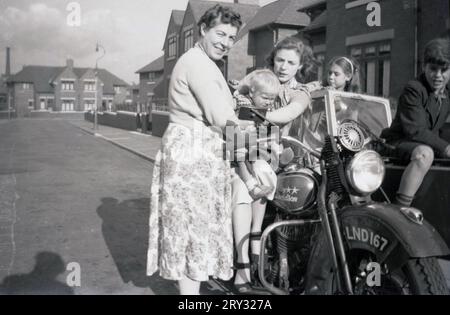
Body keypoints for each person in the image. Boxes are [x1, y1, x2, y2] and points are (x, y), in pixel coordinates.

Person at [147, 4, 246, 295]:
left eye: (231, 37)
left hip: (197, 151)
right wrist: (260, 143)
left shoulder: (202, 62)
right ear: (203, 29)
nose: (225, 42)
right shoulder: (197, 64)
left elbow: (221, 109)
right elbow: (219, 117)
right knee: (193, 231)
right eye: (220, 33)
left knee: (194, 231)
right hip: (192, 153)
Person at [232, 36, 316, 293]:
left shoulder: (298, 92)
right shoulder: (259, 79)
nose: (283, 66)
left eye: (291, 62)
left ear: (300, 66)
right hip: (248, 153)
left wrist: (253, 111)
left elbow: (289, 114)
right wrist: (240, 97)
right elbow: (235, 95)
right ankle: (242, 267)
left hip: (276, 157)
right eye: (280, 59)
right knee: (242, 187)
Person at [381, 38, 450, 207]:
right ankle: (401, 208)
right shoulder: (414, 89)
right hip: (398, 142)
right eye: (433, 69)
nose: (438, 75)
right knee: (424, 154)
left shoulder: (447, 93)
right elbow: (415, 130)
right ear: (423, 67)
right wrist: (446, 148)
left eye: (444, 69)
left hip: (425, 143)